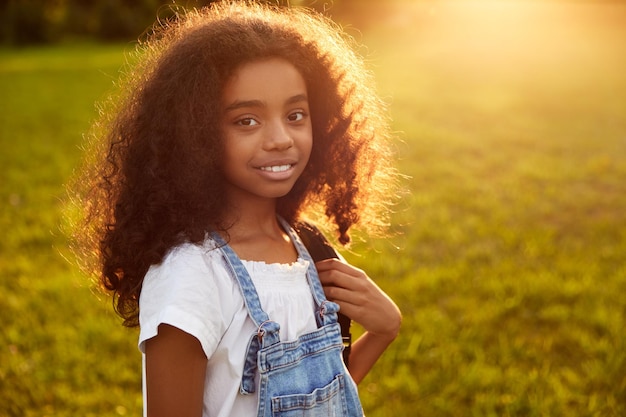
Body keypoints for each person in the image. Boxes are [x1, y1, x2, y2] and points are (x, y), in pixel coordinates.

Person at [71, 1, 401, 416]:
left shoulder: (305, 247)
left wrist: (385, 330)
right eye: (247, 120)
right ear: (196, 134)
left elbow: (321, 395)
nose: (281, 138)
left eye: (296, 114)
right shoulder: (191, 274)